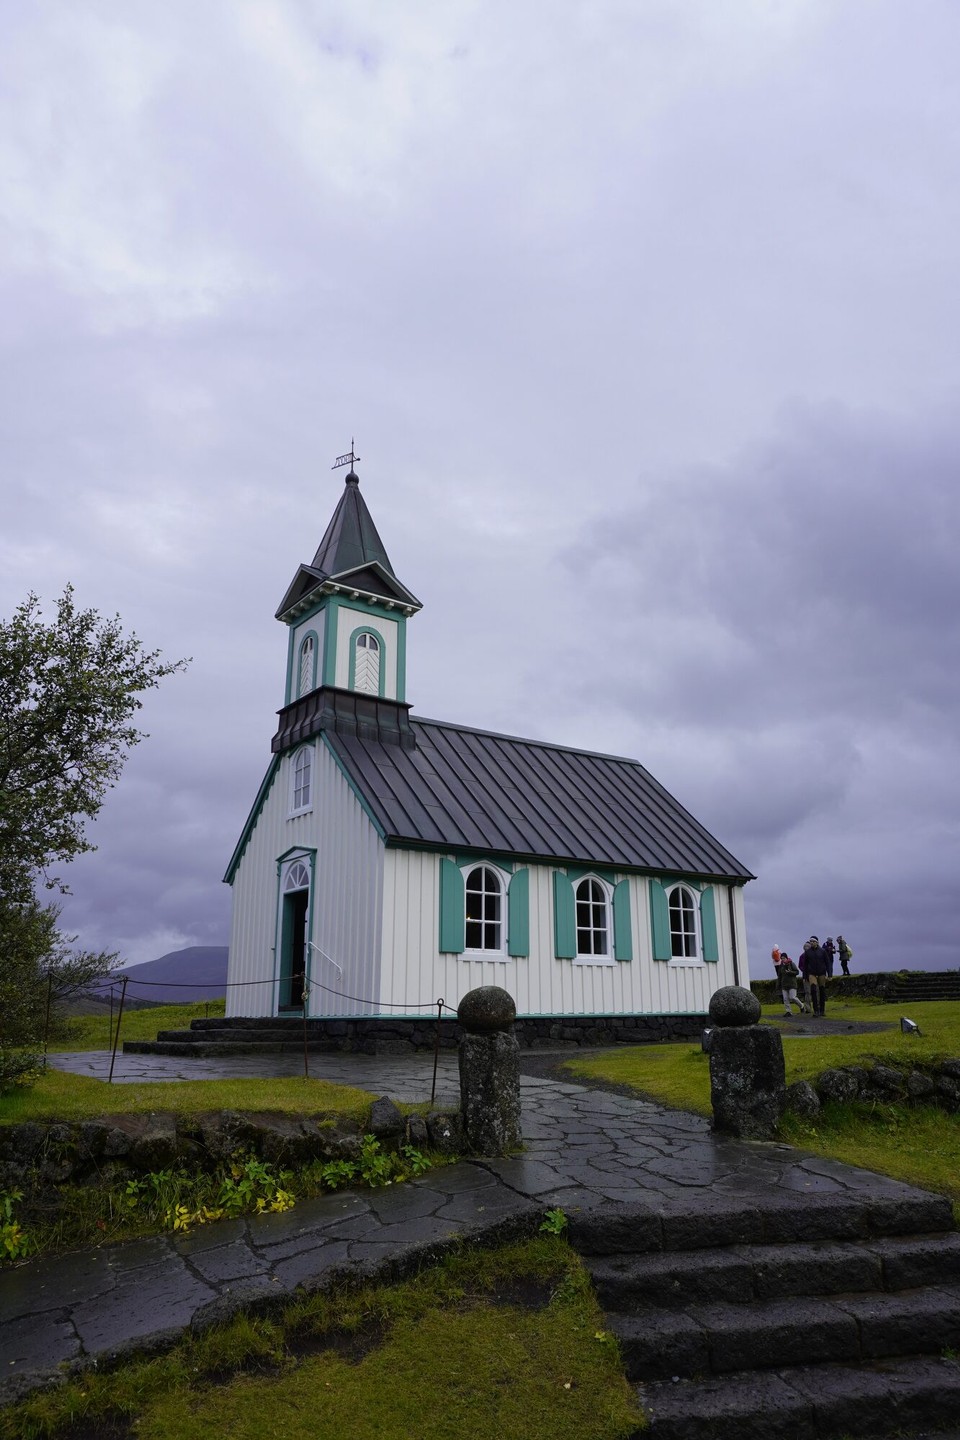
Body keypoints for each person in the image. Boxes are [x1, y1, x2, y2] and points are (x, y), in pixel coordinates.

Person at [804, 936, 828, 1016]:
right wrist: (805, 976)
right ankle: (816, 1010)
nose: (811, 943)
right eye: (810, 941)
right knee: (813, 990)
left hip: (821, 973)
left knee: (822, 991)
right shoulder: (808, 952)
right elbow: (805, 965)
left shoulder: (822, 951)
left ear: (817, 942)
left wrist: (829, 974)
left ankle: (822, 1010)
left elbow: (827, 963)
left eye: (813, 941)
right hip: (812, 973)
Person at [778, 952, 806, 1016]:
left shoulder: (791, 963)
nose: (782, 959)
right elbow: (779, 976)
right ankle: (788, 1011)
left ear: (786, 958)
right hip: (784, 985)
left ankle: (801, 1005)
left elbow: (797, 972)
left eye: (783, 958)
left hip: (792, 984)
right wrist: (778, 985)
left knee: (792, 997)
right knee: (785, 999)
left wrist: (790, 972)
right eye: (781, 958)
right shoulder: (781, 966)